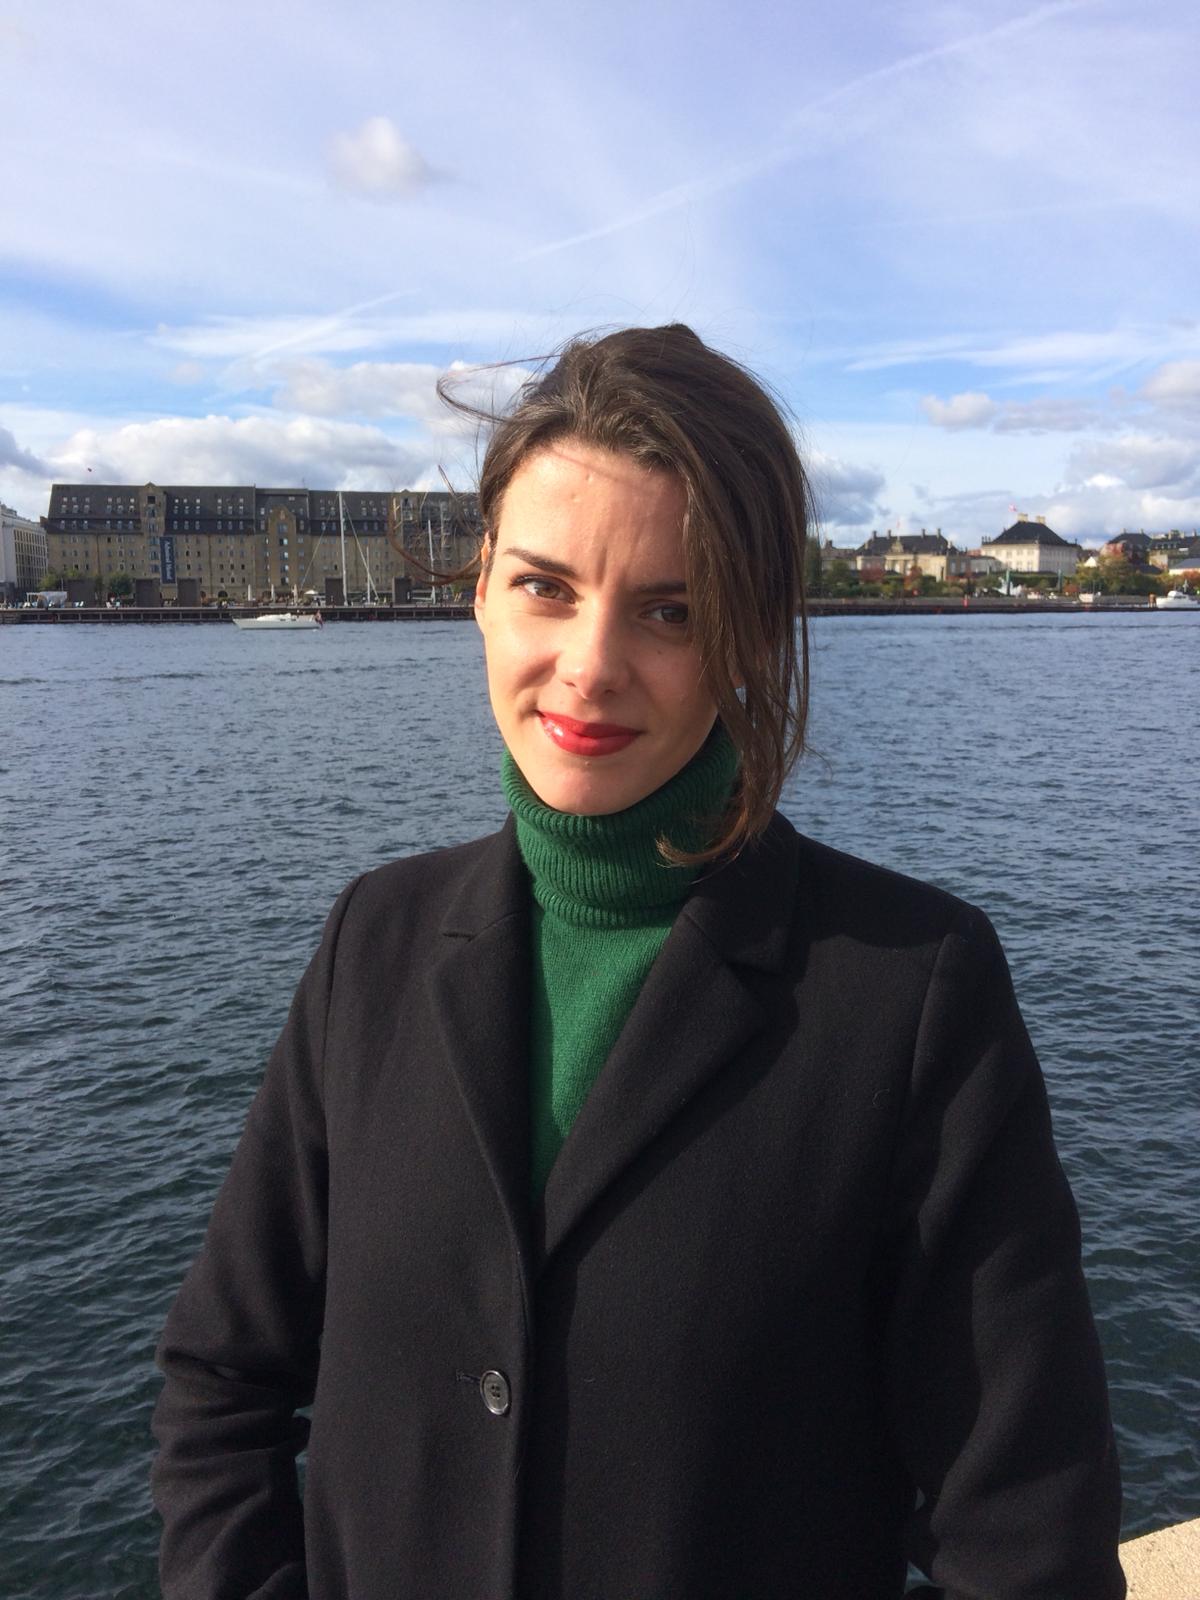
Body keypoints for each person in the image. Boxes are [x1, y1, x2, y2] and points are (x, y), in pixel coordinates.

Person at [151, 325, 1124, 1599]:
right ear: (479, 586)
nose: (593, 665)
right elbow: (223, 1380)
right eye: (546, 586)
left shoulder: (914, 991)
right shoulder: (373, 939)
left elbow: (1023, 1534)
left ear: (754, 630)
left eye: (671, 607)